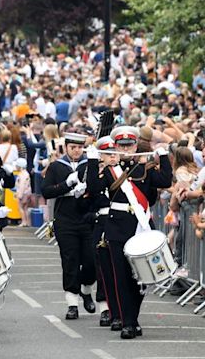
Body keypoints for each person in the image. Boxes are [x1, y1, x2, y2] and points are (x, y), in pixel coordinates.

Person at [86, 126, 172, 339]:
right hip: (117, 228)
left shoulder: (146, 167)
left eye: (129, 145)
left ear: (136, 145)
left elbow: (165, 181)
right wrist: (92, 161)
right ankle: (128, 322)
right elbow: (94, 188)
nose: (126, 148)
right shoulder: (110, 169)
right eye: (121, 145)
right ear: (116, 146)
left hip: (140, 226)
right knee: (122, 277)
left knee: (142, 279)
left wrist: (163, 156)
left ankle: (132, 317)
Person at [41, 132, 96, 320]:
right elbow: (46, 191)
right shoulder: (56, 166)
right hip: (65, 219)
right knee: (70, 260)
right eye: (73, 147)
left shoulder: (89, 164)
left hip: (87, 218)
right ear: (66, 147)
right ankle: (72, 303)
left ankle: (86, 290)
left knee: (90, 260)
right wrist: (67, 184)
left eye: (80, 147)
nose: (77, 151)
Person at [86, 136, 121, 329]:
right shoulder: (99, 175)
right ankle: (104, 307)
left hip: (123, 222)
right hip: (103, 222)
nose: (113, 158)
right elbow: (92, 190)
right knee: (101, 267)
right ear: (102, 157)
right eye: (108, 154)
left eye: (115, 154)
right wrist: (92, 165)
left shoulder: (125, 173)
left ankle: (120, 306)